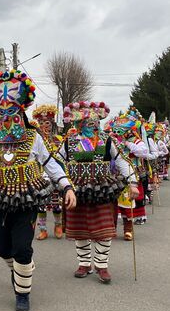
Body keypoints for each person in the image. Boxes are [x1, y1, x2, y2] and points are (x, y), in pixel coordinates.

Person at [0, 70, 76, 311]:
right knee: (1, 247)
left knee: (22, 247)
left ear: (21, 111)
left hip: (27, 197)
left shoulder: (33, 138)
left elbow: (51, 164)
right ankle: (21, 270)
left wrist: (66, 186)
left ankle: (22, 292)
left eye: (12, 111)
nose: (7, 116)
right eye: (3, 112)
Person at [59, 101, 139, 284]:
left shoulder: (107, 140)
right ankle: (84, 263)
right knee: (79, 228)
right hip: (77, 189)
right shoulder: (69, 142)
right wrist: (57, 182)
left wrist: (133, 182)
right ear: (79, 124)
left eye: (95, 122)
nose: (93, 125)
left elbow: (121, 161)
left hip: (102, 189)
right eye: (89, 122)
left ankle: (101, 265)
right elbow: (55, 161)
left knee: (104, 228)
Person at [110, 107, 149, 237]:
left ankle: (128, 229)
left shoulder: (134, 140)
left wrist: (127, 144)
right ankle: (111, 228)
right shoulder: (112, 139)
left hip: (130, 173)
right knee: (112, 201)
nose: (119, 133)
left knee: (127, 201)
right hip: (114, 175)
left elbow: (143, 152)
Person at [32, 104, 64, 240]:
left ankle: (58, 226)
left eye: (48, 123)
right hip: (39, 177)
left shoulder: (59, 140)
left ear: (52, 124)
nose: (45, 126)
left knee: (56, 204)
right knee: (41, 206)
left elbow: (63, 157)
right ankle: (43, 229)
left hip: (54, 176)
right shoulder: (35, 140)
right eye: (42, 123)